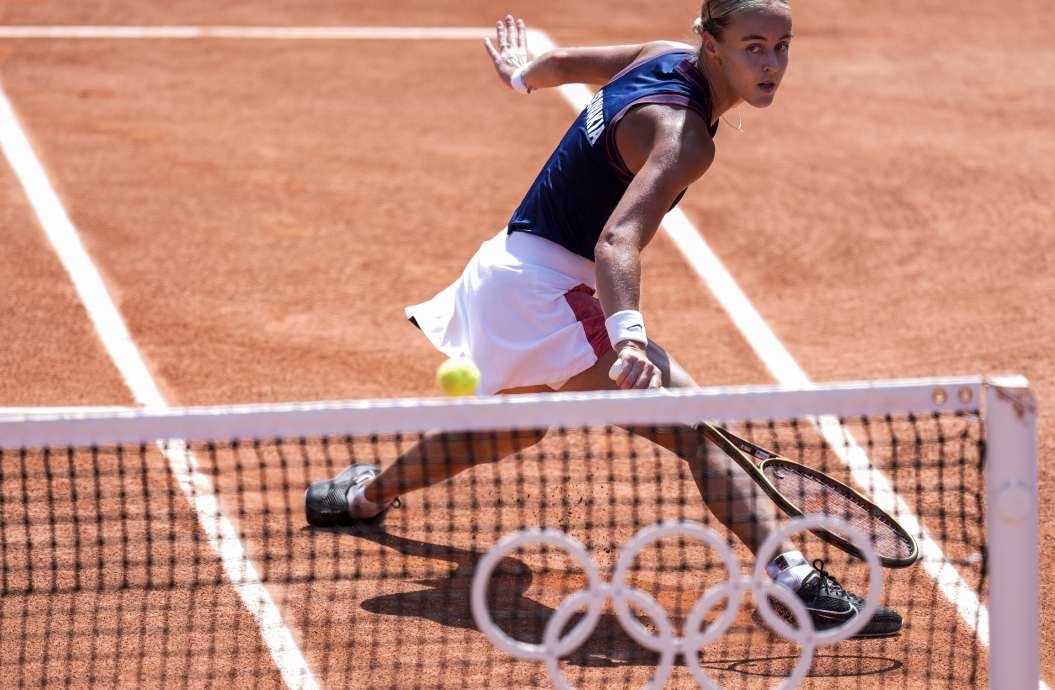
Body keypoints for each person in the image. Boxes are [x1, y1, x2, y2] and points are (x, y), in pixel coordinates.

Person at [306, 0, 901, 638]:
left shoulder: (659, 54)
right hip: (545, 293)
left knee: (511, 429)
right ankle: (792, 579)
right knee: (697, 425)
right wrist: (628, 340)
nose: (773, 63)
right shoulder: (685, 137)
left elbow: (559, 64)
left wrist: (520, 76)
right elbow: (617, 240)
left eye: (783, 46)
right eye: (754, 46)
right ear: (713, 44)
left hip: (507, 266)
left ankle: (363, 497)